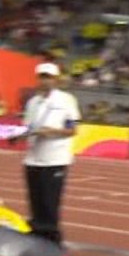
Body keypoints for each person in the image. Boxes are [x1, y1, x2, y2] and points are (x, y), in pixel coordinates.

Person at [14, 62, 81, 246]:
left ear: (56, 79)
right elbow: (29, 128)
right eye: (42, 77)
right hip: (33, 159)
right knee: (35, 203)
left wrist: (52, 132)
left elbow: (73, 129)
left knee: (50, 204)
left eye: (49, 77)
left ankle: (53, 242)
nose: (45, 81)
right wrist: (19, 136)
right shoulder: (33, 103)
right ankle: (37, 239)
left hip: (55, 160)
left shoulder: (66, 100)